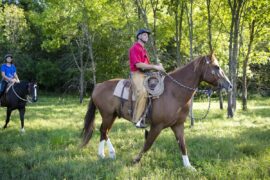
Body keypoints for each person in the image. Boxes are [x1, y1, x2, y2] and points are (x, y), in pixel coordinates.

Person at [129, 29, 165, 128]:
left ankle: (152, 115)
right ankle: (137, 119)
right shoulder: (135, 48)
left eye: (147, 35)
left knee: (159, 87)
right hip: (137, 74)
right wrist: (155, 67)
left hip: (145, 74)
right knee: (143, 92)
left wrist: (157, 68)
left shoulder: (143, 49)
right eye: (144, 35)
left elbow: (147, 65)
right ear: (139, 36)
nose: (146, 36)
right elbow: (139, 64)